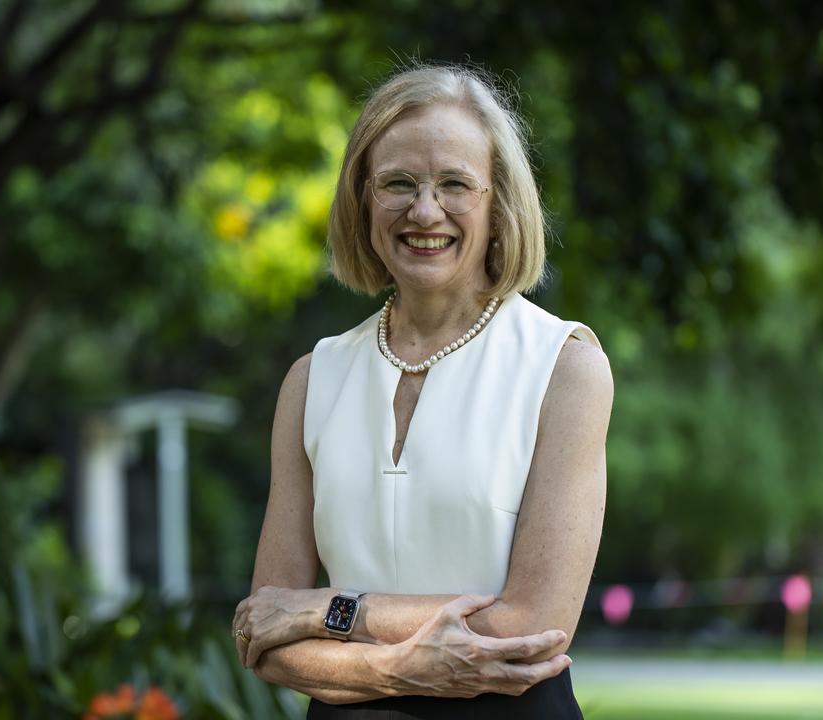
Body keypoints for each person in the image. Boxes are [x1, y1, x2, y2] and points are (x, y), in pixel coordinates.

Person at [230, 64, 613, 719]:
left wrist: (328, 610)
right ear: (363, 201)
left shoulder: (565, 366)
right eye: (398, 184)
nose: (425, 210)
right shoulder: (311, 379)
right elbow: (263, 639)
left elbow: (532, 627)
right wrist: (394, 667)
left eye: (455, 184)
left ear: (498, 203)